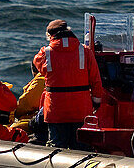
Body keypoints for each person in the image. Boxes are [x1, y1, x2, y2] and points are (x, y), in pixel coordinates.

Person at [33, 19, 104, 149]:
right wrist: (96, 101)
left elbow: (38, 68)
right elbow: (96, 80)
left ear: (50, 35)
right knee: (82, 147)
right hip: (81, 108)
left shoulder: (44, 53)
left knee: (56, 147)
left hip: (56, 110)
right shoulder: (85, 51)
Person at [9, 60, 47, 144]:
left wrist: (14, 114)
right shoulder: (57, 78)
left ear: (34, 70)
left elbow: (24, 106)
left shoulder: (40, 81)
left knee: (14, 127)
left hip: (41, 123)